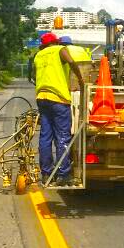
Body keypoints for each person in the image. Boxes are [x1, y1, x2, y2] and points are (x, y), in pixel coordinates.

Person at [33, 32, 85, 185]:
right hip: (58, 99)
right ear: (55, 42)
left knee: (45, 137)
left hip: (42, 98)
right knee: (62, 136)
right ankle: (63, 174)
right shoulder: (59, 49)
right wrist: (80, 78)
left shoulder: (38, 55)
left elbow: (35, 75)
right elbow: (71, 61)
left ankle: (46, 174)